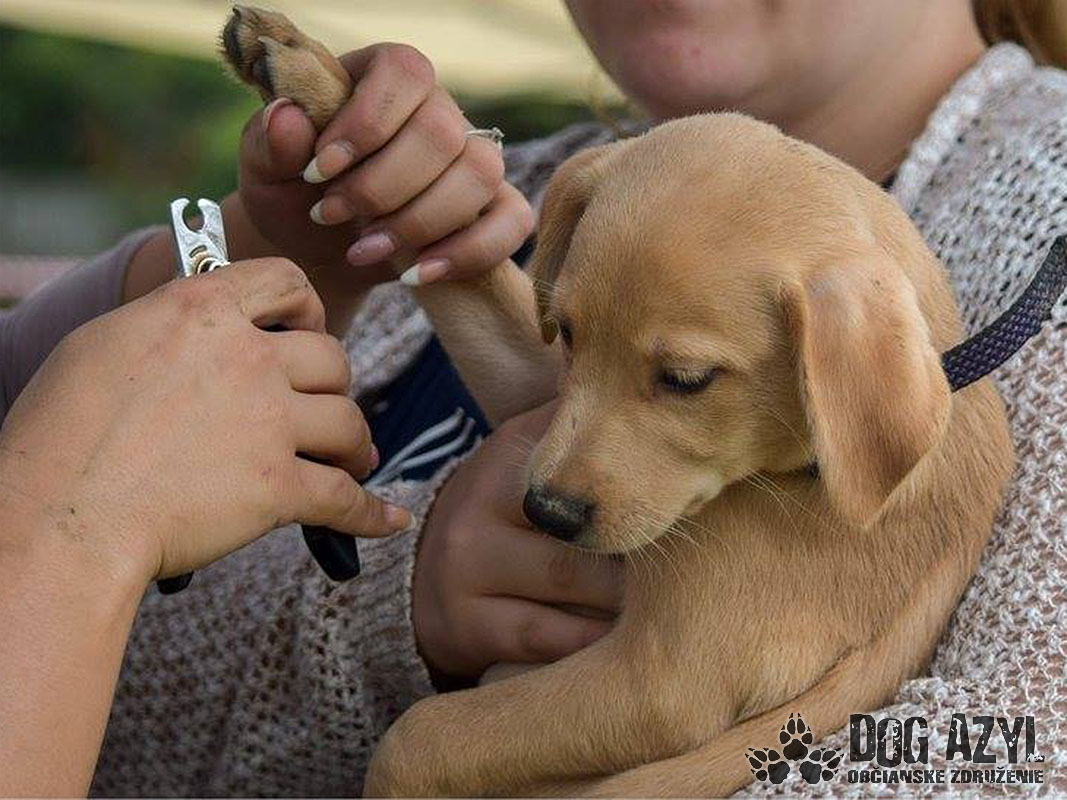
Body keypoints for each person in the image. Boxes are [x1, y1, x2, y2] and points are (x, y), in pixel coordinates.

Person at [3, 0, 1065, 795]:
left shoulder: (1025, 244)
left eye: (683, 377)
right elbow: (105, 700)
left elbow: (1007, 756)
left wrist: (428, 743)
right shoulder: (579, 184)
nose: (552, 471)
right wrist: (398, 611)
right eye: (567, 324)